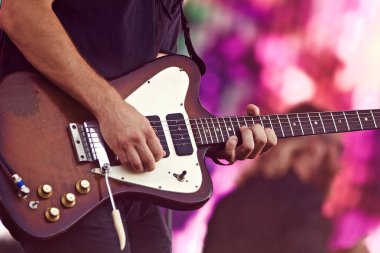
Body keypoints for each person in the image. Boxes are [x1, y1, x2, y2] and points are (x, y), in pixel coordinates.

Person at [0, 1, 277, 252]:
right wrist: (111, 110)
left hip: (138, 175)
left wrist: (212, 137)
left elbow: (150, 82)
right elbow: (22, 13)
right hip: (60, 152)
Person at [203, 104, 343, 253]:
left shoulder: (231, 200)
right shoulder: (305, 204)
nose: (339, 163)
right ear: (314, 145)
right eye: (339, 149)